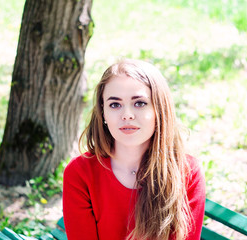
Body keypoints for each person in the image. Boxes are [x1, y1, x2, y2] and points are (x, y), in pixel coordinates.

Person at [62, 59, 205, 240]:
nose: (127, 115)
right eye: (115, 104)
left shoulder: (187, 171)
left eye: (139, 103)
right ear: (103, 113)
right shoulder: (80, 173)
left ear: (159, 110)